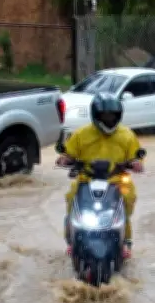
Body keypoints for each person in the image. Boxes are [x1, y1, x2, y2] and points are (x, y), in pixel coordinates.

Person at [56, 92, 144, 258]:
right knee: (71, 196)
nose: (109, 119)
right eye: (105, 115)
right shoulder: (81, 134)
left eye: (112, 115)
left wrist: (136, 164)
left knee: (128, 198)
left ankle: (126, 241)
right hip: (86, 179)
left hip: (116, 180)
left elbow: (135, 157)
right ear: (96, 115)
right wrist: (64, 160)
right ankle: (71, 240)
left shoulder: (127, 135)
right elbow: (68, 154)